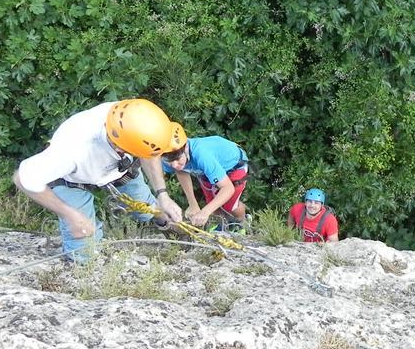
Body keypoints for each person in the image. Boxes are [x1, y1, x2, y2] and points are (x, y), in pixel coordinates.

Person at [14, 98, 185, 262]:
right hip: (71, 179)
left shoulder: (136, 117)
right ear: (120, 147)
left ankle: (168, 225)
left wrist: (163, 194)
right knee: (83, 251)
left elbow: (152, 151)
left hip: (119, 169)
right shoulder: (70, 151)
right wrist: (70, 214)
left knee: (146, 207)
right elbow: (23, 178)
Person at [161, 135, 248, 228]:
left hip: (234, 167)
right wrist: (192, 204)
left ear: (186, 148)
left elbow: (228, 188)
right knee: (212, 203)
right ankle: (221, 224)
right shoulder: (167, 155)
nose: (174, 165)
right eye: (170, 161)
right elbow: (181, 171)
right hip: (207, 170)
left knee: (230, 206)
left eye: (178, 159)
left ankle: (242, 222)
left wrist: (205, 212)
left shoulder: (201, 154)